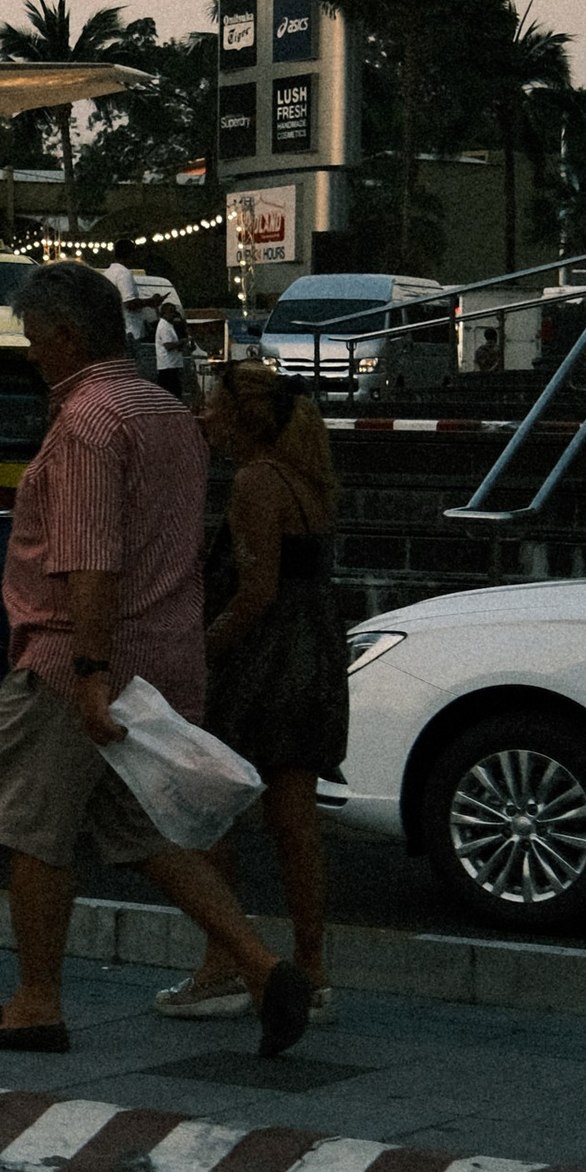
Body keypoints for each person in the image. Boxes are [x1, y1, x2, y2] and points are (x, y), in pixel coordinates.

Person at [0, 262, 312, 1066]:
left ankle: (35, 1003)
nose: (33, 353)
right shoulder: (167, 414)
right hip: (166, 656)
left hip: (76, 661)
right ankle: (262, 967)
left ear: (69, 336)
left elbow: (90, 560)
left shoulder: (87, 422)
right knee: (142, 833)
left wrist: (87, 673)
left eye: (37, 339)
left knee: (34, 830)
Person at [153, 362, 348, 1022]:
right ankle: (314, 971)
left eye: (213, 407)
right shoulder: (310, 482)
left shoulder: (256, 484)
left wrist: (196, 651)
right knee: (296, 825)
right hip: (314, 659)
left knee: (211, 814)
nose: (204, 418)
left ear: (243, 418)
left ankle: (222, 965)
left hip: (264, 668)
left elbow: (254, 595)